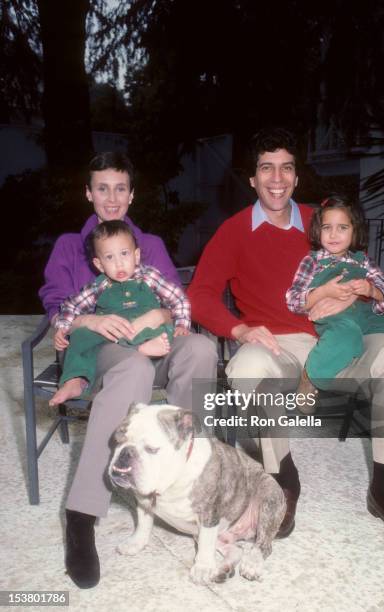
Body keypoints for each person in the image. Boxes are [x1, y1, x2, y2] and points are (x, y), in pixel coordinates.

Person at [188, 126, 384, 552]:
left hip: (341, 338)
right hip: (277, 344)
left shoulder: (324, 222)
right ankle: (283, 481)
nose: (276, 178)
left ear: (297, 177)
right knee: (244, 368)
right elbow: (201, 295)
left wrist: (367, 292)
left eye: (286, 168)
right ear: (252, 178)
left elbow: (370, 277)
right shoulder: (234, 230)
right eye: (266, 168)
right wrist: (240, 329)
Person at [39, 151, 218, 589]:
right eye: (102, 187)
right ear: (89, 192)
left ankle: (191, 479)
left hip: (152, 340)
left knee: (200, 349)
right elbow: (57, 302)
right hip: (101, 352)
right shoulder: (68, 245)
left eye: (121, 188)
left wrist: (155, 321)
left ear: (132, 194)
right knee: (134, 369)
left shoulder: (149, 244)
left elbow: (171, 299)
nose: (112, 197)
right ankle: (82, 515)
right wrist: (90, 321)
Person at [285, 195, 384, 457]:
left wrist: (371, 289)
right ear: (318, 231)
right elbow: (293, 299)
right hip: (337, 319)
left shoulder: (362, 260)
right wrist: (324, 291)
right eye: (327, 227)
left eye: (342, 227)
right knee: (348, 337)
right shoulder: (312, 261)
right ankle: (310, 377)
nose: (334, 234)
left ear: (354, 230)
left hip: (367, 315)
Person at [50, 220, 191, 407]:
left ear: (137, 255)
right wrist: (63, 327)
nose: (119, 263)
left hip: (148, 329)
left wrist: (182, 323)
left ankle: (143, 347)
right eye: (109, 257)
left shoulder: (150, 276)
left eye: (124, 254)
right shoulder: (99, 286)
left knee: (160, 328)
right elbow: (72, 306)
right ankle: (75, 379)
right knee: (80, 335)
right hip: (113, 335)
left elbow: (177, 298)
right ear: (99, 265)